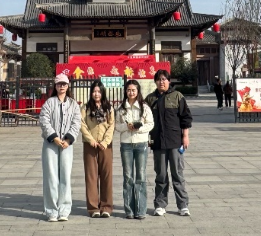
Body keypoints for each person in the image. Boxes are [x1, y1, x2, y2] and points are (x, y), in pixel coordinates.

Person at [146, 69, 192, 217]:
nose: (161, 82)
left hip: (175, 141)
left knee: (177, 174)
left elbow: (185, 118)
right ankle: (160, 205)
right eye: (159, 79)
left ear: (169, 81)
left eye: (164, 79)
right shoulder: (150, 99)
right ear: (155, 81)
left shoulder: (177, 96)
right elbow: (145, 120)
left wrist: (185, 136)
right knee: (161, 175)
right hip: (158, 142)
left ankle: (183, 205)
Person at [39, 73, 82, 221]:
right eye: (59, 84)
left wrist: (68, 139)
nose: (62, 86)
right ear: (55, 86)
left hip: (66, 145)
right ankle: (51, 210)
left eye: (64, 84)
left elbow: (77, 122)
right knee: (51, 176)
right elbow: (44, 120)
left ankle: (64, 210)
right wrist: (54, 137)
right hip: (51, 143)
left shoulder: (73, 104)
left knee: (65, 176)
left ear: (68, 86)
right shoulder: (49, 103)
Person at [115, 79, 154, 219]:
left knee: (141, 176)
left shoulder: (144, 107)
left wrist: (138, 127)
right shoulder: (121, 108)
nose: (131, 92)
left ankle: (141, 210)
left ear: (138, 91)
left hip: (141, 144)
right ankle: (129, 210)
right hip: (126, 144)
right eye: (129, 90)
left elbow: (151, 124)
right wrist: (127, 126)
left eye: (133, 90)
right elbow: (116, 126)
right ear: (125, 91)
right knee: (128, 177)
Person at [81, 80, 115, 218]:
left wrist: (105, 141)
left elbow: (112, 125)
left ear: (103, 93)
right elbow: (82, 125)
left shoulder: (109, 108)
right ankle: (93, 207)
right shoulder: (85, 108)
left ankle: (106, 206)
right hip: (90, 145)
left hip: (105, 145)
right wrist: (91, 140)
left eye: (99, 91)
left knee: (106, 175)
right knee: (91, 176)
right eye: (94, 91)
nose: (96, 94)